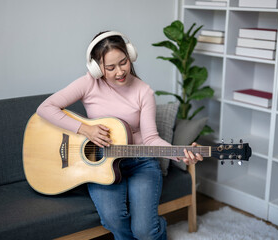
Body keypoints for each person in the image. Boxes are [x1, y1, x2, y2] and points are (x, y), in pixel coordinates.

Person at [37, 31, 203, 240]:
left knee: (145, 231)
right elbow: (46, 107)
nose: (119, 72)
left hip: (141, 163)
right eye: (110, 67)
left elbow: (151, 139)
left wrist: (182, 153)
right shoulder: (88, 83)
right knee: (113, 219)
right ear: (97, 68)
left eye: (123, 62)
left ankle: (155, 229)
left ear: (130, 55)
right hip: (101, 164)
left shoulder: (144, 92)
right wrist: (84, 129)